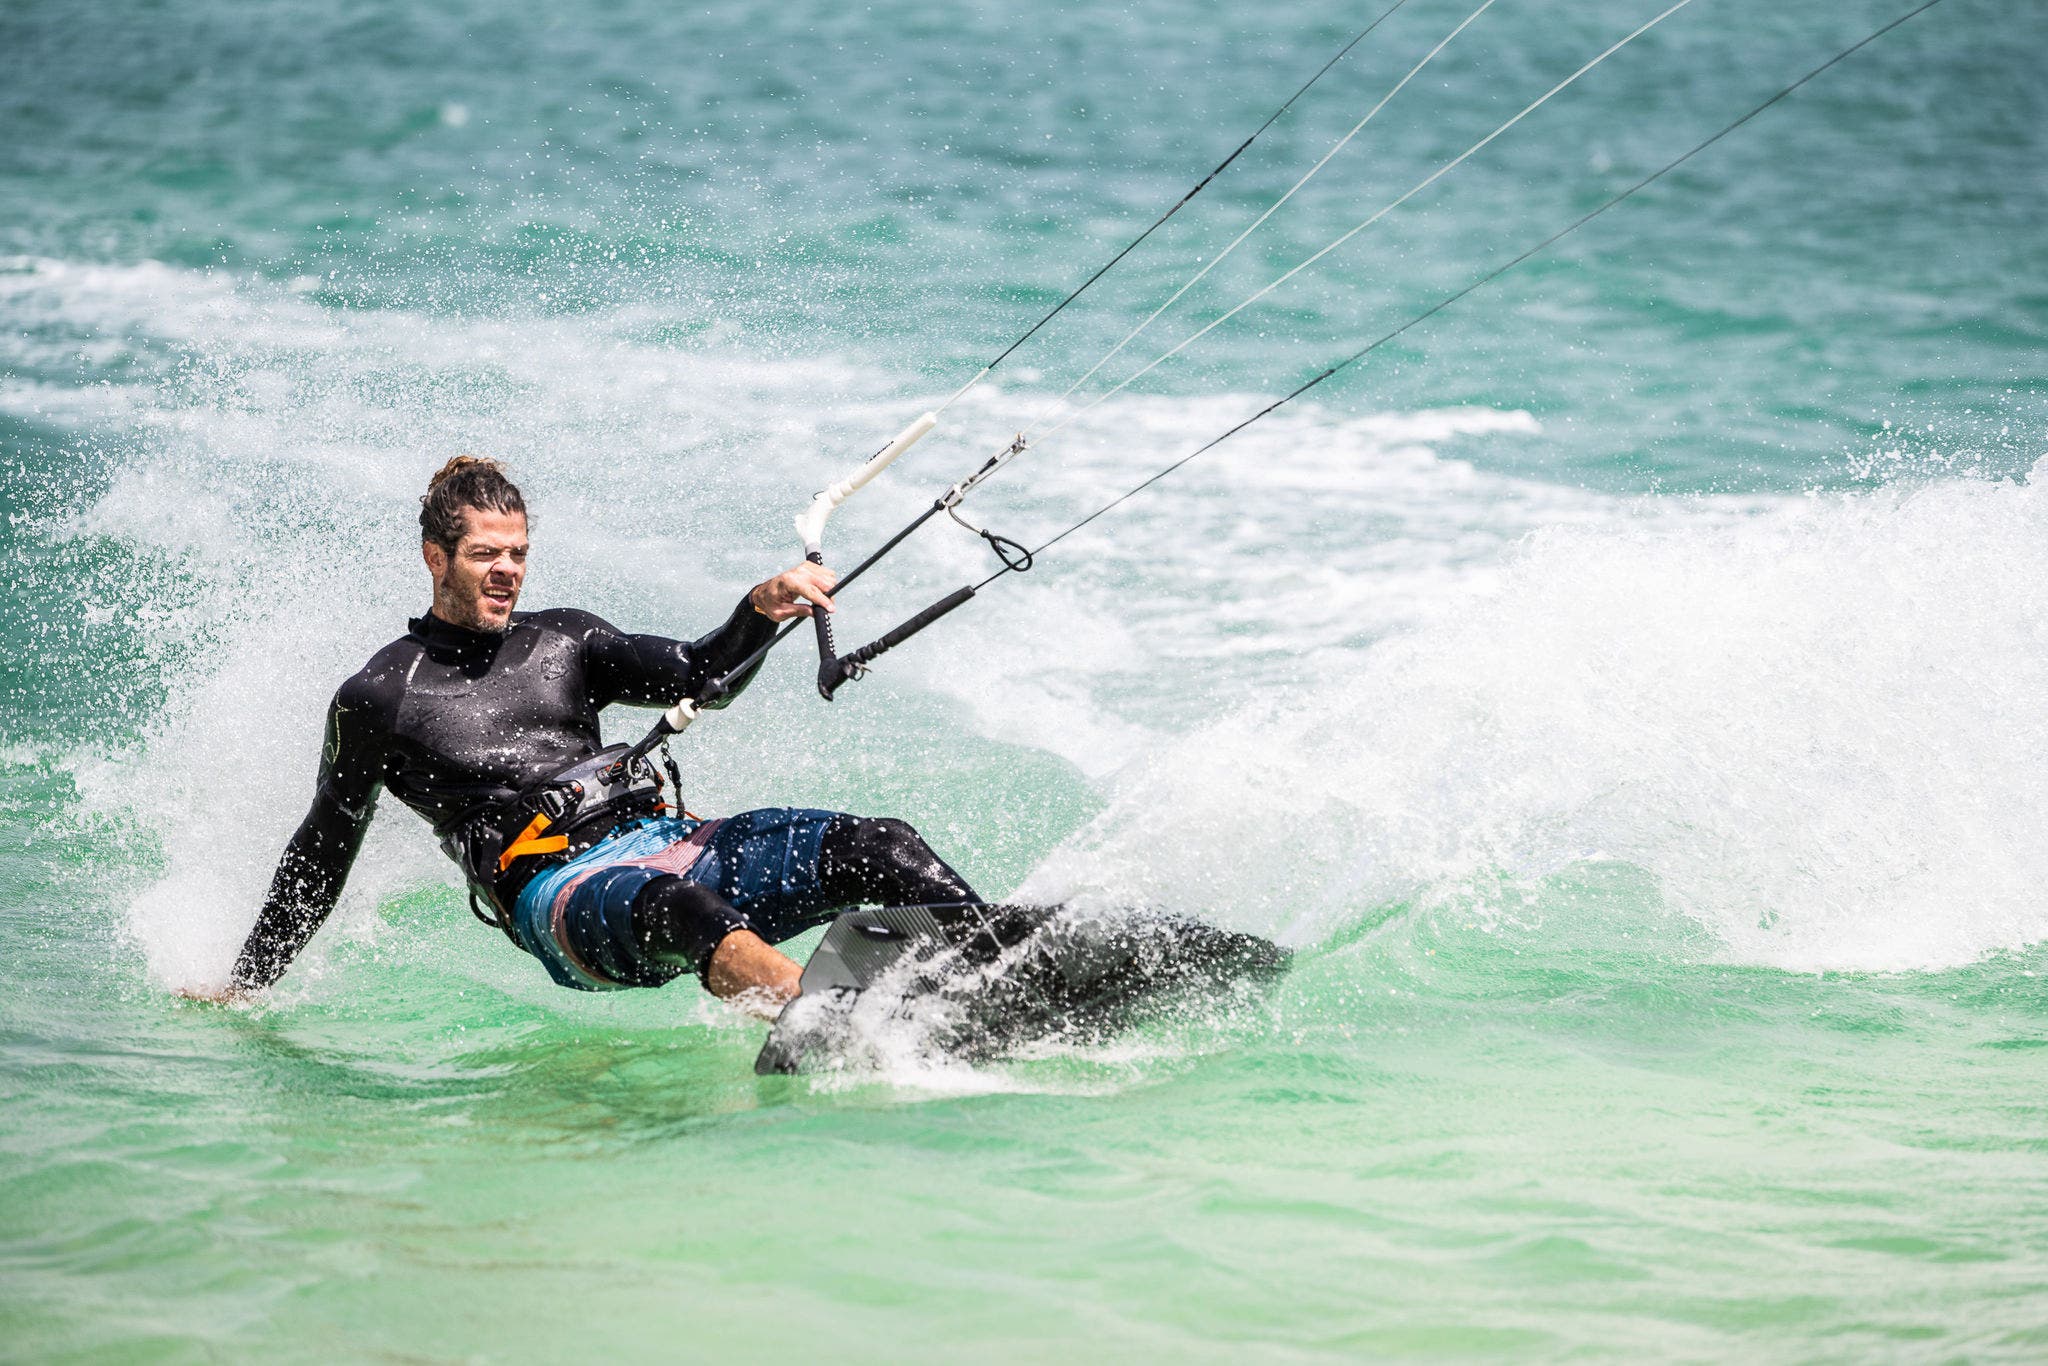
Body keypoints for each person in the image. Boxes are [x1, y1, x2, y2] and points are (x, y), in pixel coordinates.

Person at [199, 456, 980, 1012]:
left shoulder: (565, 641)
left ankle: (999, 978)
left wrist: (761, 608)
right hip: (561, 897)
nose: (506, 570)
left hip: (672, 841)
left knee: (883, 846)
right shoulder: (380, 697)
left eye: (518, 554)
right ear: (435, 557)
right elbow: (322, 854)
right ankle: (823, 1028)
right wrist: (245, 985)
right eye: (484, 555)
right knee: (685, 907)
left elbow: (699, 672)